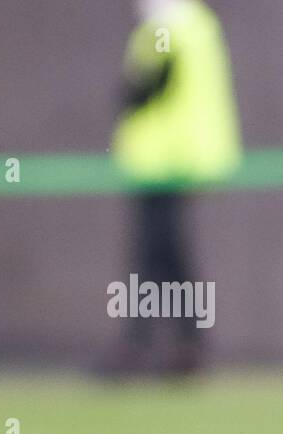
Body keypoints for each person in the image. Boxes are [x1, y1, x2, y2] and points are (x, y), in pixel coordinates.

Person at [102, 0, 241, 377]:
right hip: (175, 157)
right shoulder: (193, 23)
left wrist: (127, 94)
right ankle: (184, 343)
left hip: (165, 158)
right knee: (169, 257)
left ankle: (143, 344)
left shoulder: (171, 24)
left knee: (154, 256)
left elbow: (151, 84)